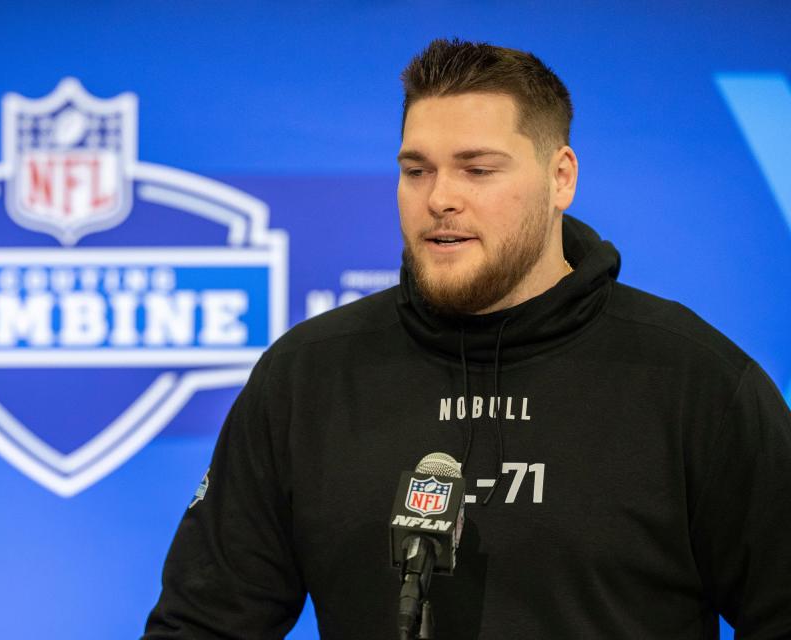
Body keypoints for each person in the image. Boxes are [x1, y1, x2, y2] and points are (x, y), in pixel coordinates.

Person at [142, 39, 791, 639]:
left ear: (560, 177)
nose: (440, 198)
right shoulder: (308, 376)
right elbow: (203, 625)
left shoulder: (694, 380)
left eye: (477, 170)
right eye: (416, 170)